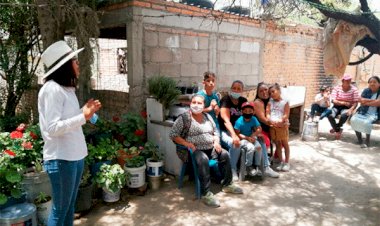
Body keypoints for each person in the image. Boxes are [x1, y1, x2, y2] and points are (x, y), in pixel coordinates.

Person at [38, 41, 101, 226]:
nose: (78, 64)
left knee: (69, 206)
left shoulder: (67, 89)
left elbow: (70, 119)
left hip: (75, 156)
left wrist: (85, 112)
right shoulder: (51, 90)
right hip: (61, 158)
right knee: (60, 210)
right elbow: (52, 128)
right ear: (65, 66)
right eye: (75, 61)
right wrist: (83, 116)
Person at [170, 94, 243, 208]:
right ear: (190, 104)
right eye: (194, 102)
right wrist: (187, 143)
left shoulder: (208, 117)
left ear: (204, 105)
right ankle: (206, 193)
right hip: (194, 150)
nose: (196, 105)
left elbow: (215, 132)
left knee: (225, 154)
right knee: (203, 159)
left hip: (211, 147)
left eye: (199, 103)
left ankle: (227, 184)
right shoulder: (184, 118)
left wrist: (216, 141)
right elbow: (173, 135)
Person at [219, 81, 279, 180]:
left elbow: (250, 118)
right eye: (234, 88)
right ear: (231, 88)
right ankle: (233, 170)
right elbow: (226, 120)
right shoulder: (226, 100)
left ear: (242, 90)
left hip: (241, 132)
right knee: (235, 143)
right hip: (226, 131)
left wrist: (257, 132)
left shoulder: (243, 100)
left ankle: (266, 167)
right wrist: (234, 135)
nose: (236, 90)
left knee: (261, 140)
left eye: (239, 89)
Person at [350, 76, 380, 148]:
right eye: (370, 82)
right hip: (363, 111)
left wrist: (366, 101)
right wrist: (374, 101)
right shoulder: (366, 90)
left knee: (366, 123)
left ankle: (367, 141)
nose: (372, 84)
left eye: (374, 82)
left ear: (379, 84)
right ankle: (360, 140)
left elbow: (378, 104)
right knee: (353, 120)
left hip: (374, 113)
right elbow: (360, 100)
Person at [234, 102, 262, 176]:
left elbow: (259, 128)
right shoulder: (239, 121)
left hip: (251, 137)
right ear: (242, 112)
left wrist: (253, 135)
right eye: (245, 111)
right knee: (251, 147)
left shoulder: (254, 119)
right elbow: (237, 133)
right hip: (243, 139)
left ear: (253, 112)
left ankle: (257, 165)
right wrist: (247, 138)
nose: (248, 113)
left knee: (258, 147)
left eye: (250, 111)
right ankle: (248, 166)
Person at [266, 83, 291, 172]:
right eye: (270, 93)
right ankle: (281, 161)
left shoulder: (285, 102)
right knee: (277, 144)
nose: (271, 94)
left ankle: (287, 162)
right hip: (273, 126)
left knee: (285, 143)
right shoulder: (270, 102)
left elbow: (286, 114)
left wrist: (281, 120)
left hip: (282, 126)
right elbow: (268, 113)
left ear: (279, 91)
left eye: (273, 91)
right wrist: (269, 119)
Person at [328, 74, 360, 139]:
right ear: (343, 81)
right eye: (347, 80)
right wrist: (344, 102)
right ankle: (338, 130)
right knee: (330, 115)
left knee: (344, 115)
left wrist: (351, 109)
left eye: (350, 80)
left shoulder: (354, 89)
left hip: (347, 107)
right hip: (336, 106)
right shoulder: (337, 88)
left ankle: (337, 127)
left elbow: (356, 102)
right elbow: (333, 100)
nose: (348, 81)